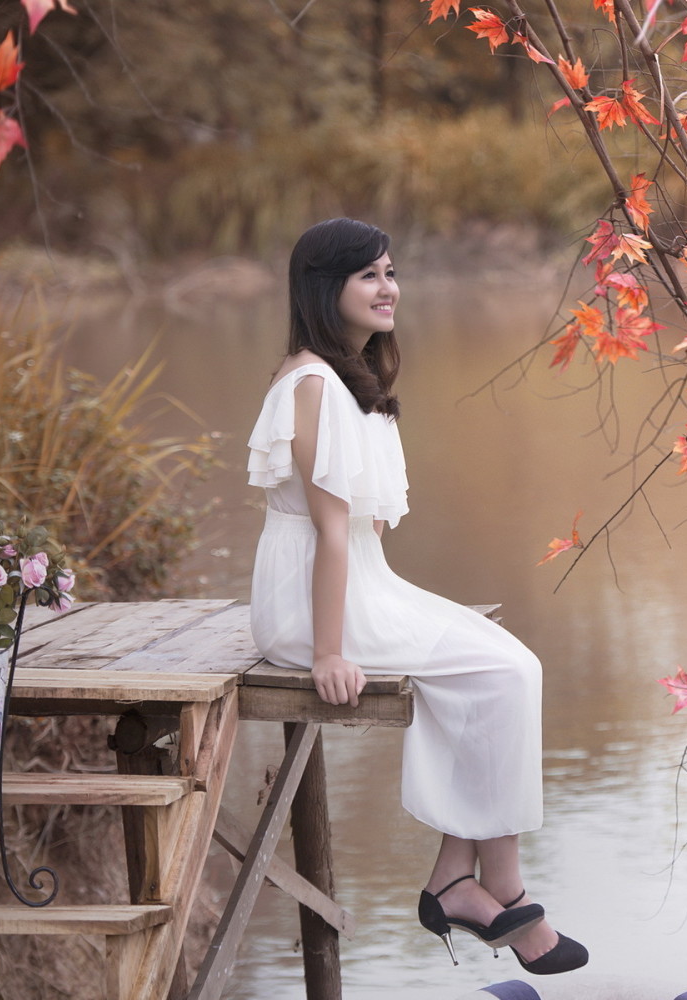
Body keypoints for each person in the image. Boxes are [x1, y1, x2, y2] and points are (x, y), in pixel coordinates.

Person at [246, 218, 587, 976]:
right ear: (322, 286)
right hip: (311, 602)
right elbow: (331, 535)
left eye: (391, 272)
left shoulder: (344, 380)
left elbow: (354, 541)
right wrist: (329, 652)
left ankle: (458, 878)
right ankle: (495, 883)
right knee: (503, 675)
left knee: (510, 663)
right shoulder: (312, 386)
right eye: (369, 275)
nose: (388, 288)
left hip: (358, 580)